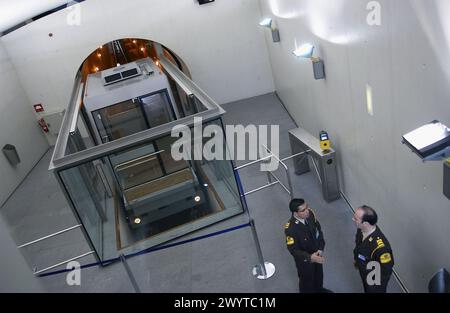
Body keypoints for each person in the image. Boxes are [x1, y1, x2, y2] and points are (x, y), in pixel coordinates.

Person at [284, 198, 328, 293]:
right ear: (295, 213)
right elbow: (293, 250)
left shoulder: (310, 215)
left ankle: (319, 289)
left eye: (307, 207)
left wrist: (320, 248)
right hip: (305, 262)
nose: (307, 211)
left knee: (319, 277)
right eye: (303, 210)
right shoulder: (291, 229)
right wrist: (310, 257)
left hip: (317, 254)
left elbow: (318, 231)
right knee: (307, 282)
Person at [352, 205, 394, 293]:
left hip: (374, 282)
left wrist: (374, 288)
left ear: (366, 223)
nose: (353, 219)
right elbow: (359, 246)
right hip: (364, 271)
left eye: (356, 219)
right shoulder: (361, 229)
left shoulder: (382, 249)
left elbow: (385, 272)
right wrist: (357, 260)